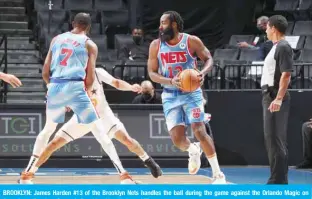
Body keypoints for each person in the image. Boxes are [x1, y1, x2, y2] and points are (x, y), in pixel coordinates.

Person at [19, 67, 162, 184]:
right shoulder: (71, 78)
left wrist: (130, 87)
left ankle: (148, 160)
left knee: (127, 140)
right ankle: (29, 173)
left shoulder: (97, 72)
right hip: (83, 117)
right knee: (53, 143)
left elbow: (116, 83)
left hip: (103, 115)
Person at [18, 13, 106, 183]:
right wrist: (81, 95)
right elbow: (90, 78)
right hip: (76, 87)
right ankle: (124, 174)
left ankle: (28, 172)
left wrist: (51, 87)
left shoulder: (57, 39)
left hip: (56, 85)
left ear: (73, 23)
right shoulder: (90, 45)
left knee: (48, 130)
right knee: (99, 129)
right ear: (89, 27)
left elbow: (45, 71)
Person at [148, 10, 226, 184]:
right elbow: (152, 73)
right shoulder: (155, 45)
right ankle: (193, 150)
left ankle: (218, 174)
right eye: (160, 23)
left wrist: (202, 73)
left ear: (174, 24)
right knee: (177, 140)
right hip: (170, 94)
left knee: (199, 130)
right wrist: (169, 80)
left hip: (192, 94)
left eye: (163, 23)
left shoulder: (191, 41)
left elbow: (208, 58)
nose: (160, 27)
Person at [261, 15, 293, 184]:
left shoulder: (283, 46)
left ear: (273, 28)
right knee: (272, 139)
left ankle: (278, 180)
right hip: (270, 95)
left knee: (275, 139)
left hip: (274, 95)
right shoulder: (276, 47)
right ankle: (278, 178)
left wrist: (278, 98)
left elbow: (286, 74)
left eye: (267, 27)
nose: (265, 30)